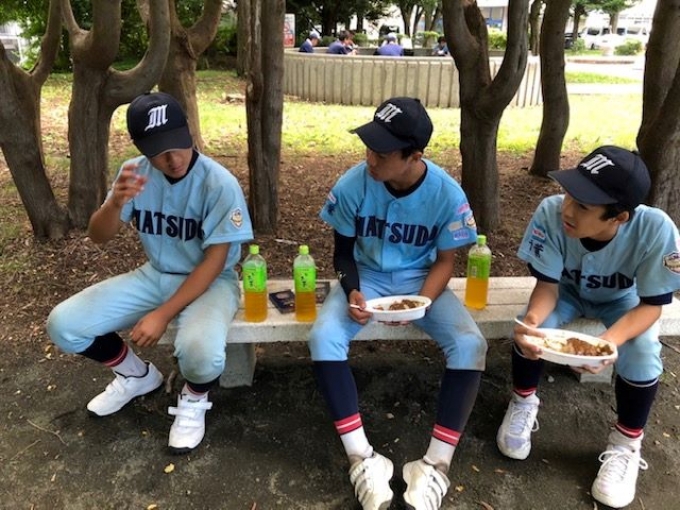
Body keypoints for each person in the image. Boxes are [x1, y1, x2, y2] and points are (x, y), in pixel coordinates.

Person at [46, 92, 253, 454]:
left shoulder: (218, 183)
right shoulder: (136, 172)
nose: (173, 158)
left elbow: (215, 261)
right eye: (159, 151)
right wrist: (115, 202)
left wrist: (163, 314)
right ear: (141, 148)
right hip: (156, 274)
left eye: (178, 144)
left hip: (211, 282)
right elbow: (99, 236)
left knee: (200, 353)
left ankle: (194, 398)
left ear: (188, 132)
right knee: (64, 324)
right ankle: (136, 375)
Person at [308, 97, 487, 510]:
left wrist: (421, 301)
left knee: (470, 344)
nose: (371, 159)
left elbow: (445, 261)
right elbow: (342, 254)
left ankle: (435, 465)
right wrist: (351, 290)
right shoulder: (353, 184)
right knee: (323, 337)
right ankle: (361, 459)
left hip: (420, 279)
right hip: (366, 276)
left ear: (414, 156)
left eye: (383, 153)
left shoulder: (446, 193)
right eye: (369, 147)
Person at [496, 146, 680, 509]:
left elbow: (652, 305)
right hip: (565, 292)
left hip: (623, 300)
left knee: (642, 350)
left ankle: (626, 443)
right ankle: (523, 400)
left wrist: (606, 344)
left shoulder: (655, 228)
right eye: (569, 194)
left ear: (620, 217)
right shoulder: (550, 212)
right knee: (534, 327)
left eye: (583, 206)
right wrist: (531, 321)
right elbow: (547, 287)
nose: (567, 209)